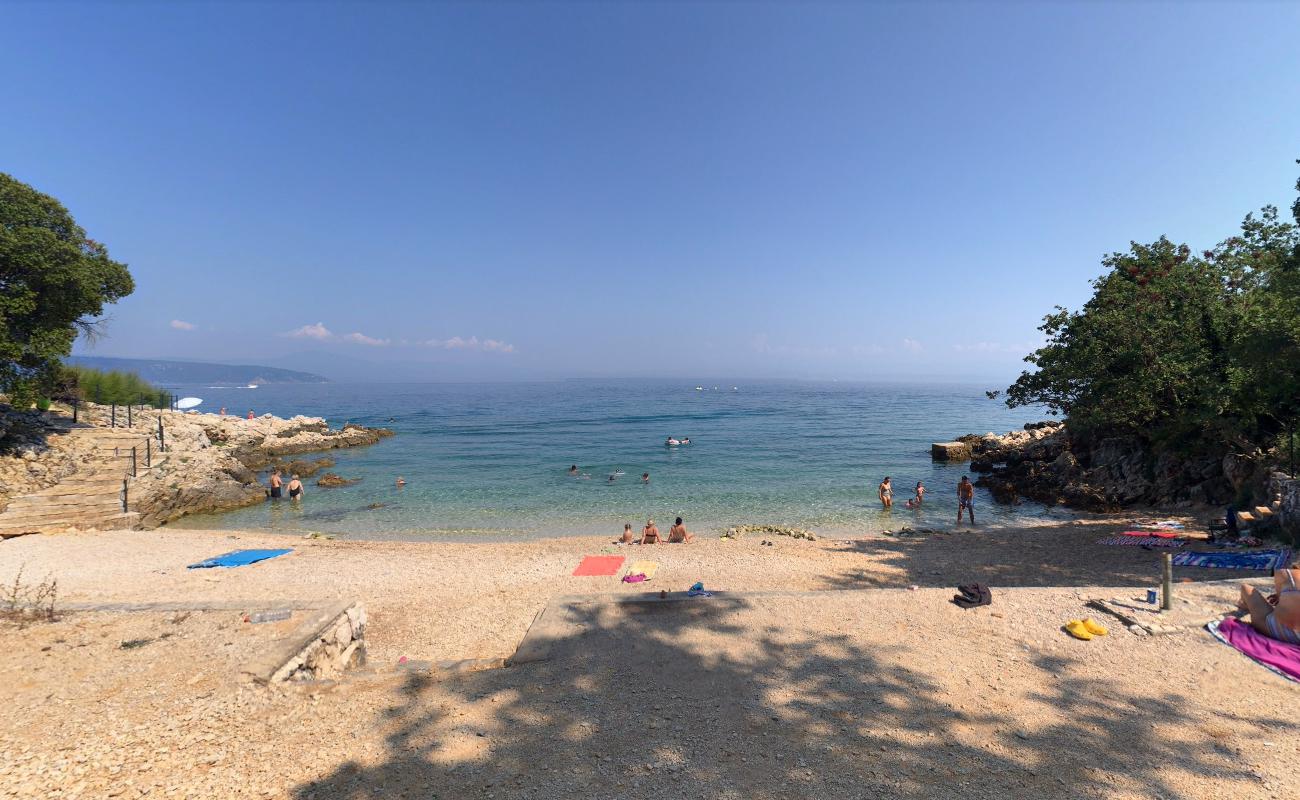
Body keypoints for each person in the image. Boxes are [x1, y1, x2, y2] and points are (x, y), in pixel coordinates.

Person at [1238, 562, 1300, 644]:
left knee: (1246, 588)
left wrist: (1281, 596)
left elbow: (1281, 596)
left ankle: (1245, 605)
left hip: (1278, 632)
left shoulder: (1286, 573)